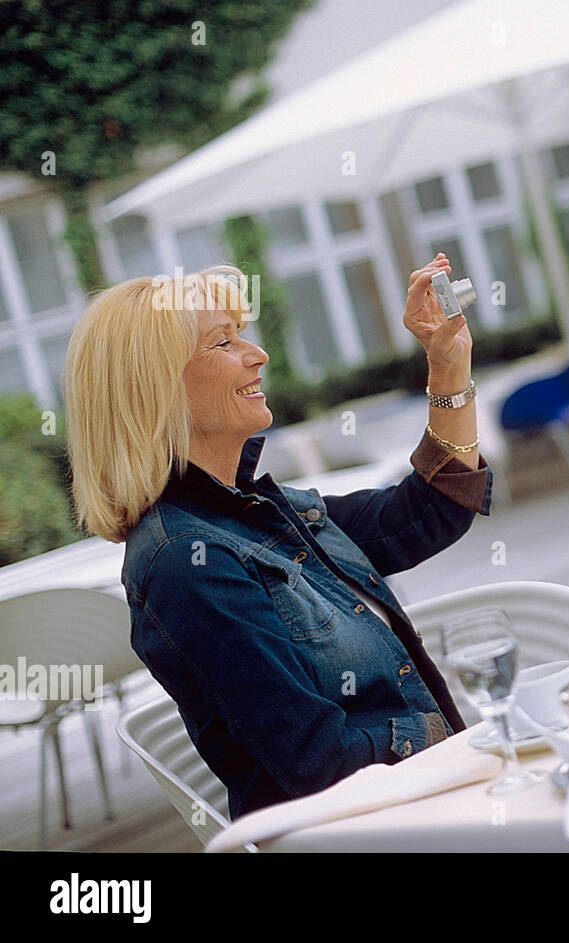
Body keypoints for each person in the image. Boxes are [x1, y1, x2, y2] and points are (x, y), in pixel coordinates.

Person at [65, 254, 490, 818]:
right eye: (223, 343)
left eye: (242, 334)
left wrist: (448, 366)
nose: (257, 354)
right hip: (365, 831)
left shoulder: (259, 511)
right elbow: (320, 762)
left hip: (418, 803)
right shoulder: (188, 563)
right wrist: (457, 730)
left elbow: (430, 510)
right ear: (156, 389)